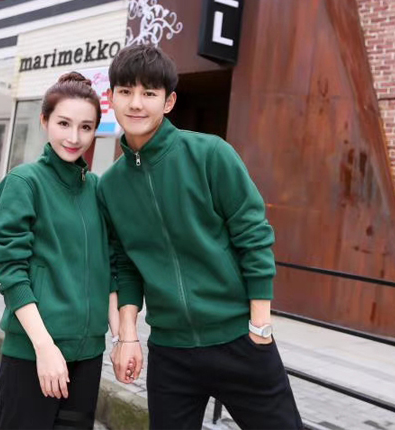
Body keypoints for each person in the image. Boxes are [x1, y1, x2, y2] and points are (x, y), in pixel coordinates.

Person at [98, 45, 303, 429]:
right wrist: (127, 336)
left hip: (239, 340)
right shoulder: (110, 186)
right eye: (125, 91)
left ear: (169, 101)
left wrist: (260, 326)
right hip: (170, 352)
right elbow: (125, 265)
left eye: (149, 93)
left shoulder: (210, 154)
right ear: (111, 98)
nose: (136, 103)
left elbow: (253, 235)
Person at [0, 72, 118, 430]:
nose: (74, 137)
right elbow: (11, 272)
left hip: (88, 357)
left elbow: (110, 267)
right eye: (64, 123)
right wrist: (44, 348)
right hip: (33, 353)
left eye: (86, 127)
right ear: (44, 121)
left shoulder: (97, 189)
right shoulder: (24, 183)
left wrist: (122, 338)